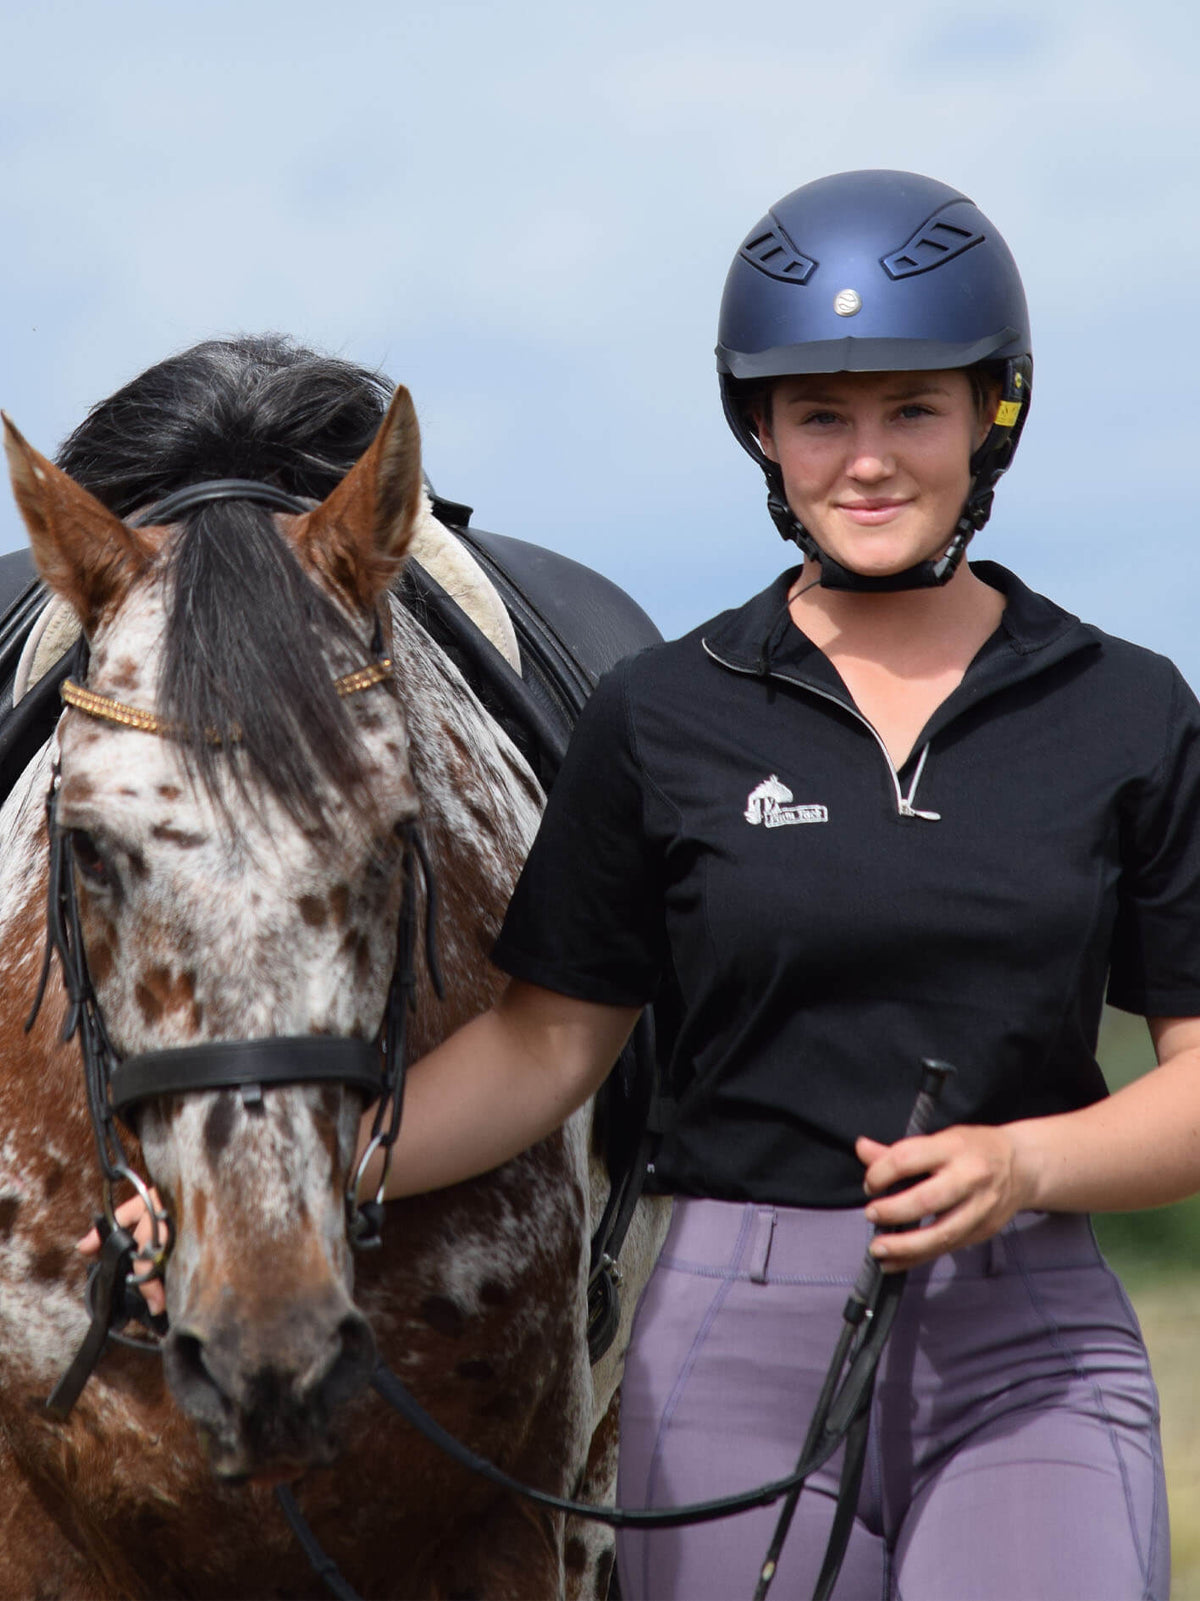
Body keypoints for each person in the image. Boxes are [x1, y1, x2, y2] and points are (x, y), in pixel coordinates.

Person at [91, 173, 1197, 1598]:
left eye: (913, 409)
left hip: (1028, 1339)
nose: (867, 459)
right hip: (734, 1350)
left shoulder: (1128, 710)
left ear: (994, 417)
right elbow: (548, 1044)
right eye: (821, 415)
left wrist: (1028, 1161)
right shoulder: (665, 713)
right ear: (763, 432)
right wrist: (262, 1180)